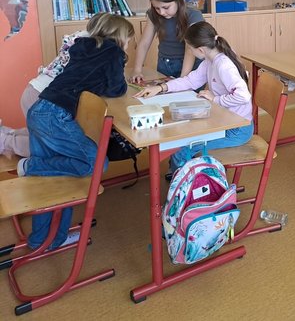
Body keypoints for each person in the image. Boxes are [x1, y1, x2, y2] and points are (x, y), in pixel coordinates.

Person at [18, 15, 134, 250]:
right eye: (129, 40)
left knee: (55, 179)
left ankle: (44, 240)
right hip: (55, 116)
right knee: (96, 163)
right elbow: (117, 88)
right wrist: (120, 64)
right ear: (120, 36)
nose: (129, 44)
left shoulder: (82, 46)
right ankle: (30, 166)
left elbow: (85, 77)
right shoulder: (113, 52)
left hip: (40, 110)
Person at [135, 21, 254, 172]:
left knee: (182, 149)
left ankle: (184, 181)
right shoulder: (210, 59)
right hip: (224, 120)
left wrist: (215, 99)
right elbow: (191, 81)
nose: (190, 52)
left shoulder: (223, 65)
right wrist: (161, 87)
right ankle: (182, 175)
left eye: (190, 49)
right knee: (180, 138)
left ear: (201, 50)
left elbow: (243, 96)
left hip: (236, 129)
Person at [0, 13, 110, 158]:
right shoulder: (94, 48)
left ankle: (8, 134)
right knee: (52, 148)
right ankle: (5, 142)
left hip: (34, 91)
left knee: (44, 136)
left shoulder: (80, 39)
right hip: (42, 99)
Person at [129, 0, 204, 84]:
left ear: (177, 0)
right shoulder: (153, 15)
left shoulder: (193, 15)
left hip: (189, 66)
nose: (162, 12)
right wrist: (137, 70)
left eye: (166, 7)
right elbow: (144, 43)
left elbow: (190, 50)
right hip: (165, 64)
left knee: (187, 93)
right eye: (157, 8)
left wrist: (183, 80)